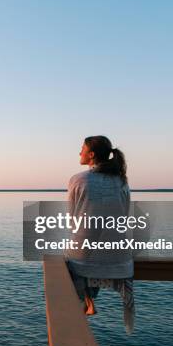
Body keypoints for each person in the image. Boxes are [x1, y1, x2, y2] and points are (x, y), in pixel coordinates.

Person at [65, 135, 134, 334]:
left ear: (91, 155)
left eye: (82, 149)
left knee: (74, 259)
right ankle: (90, 300)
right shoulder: (121, 181)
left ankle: (87, 301)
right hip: (120, 256)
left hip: (85, 255)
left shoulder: (78, 179)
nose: (79, 153)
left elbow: (73, 220)